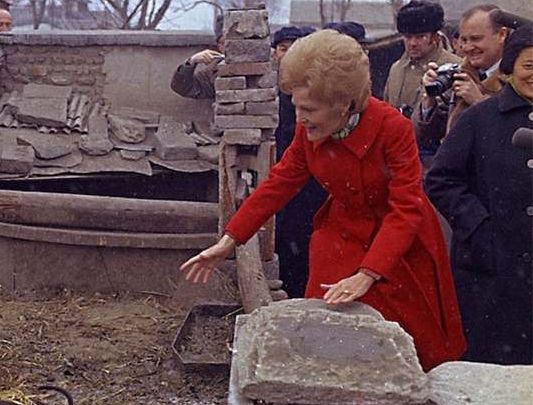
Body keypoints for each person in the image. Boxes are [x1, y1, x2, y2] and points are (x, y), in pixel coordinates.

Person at [180, 30, 466, 371]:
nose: (299, 118)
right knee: (327, 327)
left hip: (398, 241)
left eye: (308, 109)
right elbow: (280, 182)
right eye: (297, 107)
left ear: (344, 103)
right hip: (342, 235)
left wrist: (368, 273)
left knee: (406, 340)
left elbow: (405, 208)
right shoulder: (309, 128)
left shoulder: (393, 128)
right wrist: (230, 239)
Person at [424, 24, 532, 365]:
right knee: (491, 368)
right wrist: (479, 227)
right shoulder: (480, 118)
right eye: (530, 65)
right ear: (512, 65)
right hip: (492, 269)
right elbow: (441, 179)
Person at [273, 25, 325, 298]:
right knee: (285, 242)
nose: (291, 54)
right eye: (285, 48)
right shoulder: (270, 90)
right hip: (286, 178)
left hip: (318, 183)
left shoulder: (324, 87)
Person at [416, 5, 508, 144]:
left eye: (476, 39)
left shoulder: (521, 77)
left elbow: (516, 132)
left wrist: (478, 101)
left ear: (502, 35)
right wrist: (429, 100)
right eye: (464, 40)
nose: (467, 48)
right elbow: (426, 136)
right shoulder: (459, 73)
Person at [384, 1, 461, 120]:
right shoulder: (396, 69)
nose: (413, 43)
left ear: (435, 37)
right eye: (408, 37)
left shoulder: (455, 68)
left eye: (420, 37)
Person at [170, 15, 225, 100]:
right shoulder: (214, 71)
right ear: (218, 45)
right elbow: (183, 88)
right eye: (222, 43)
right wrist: (191, 61)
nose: (228, 46)